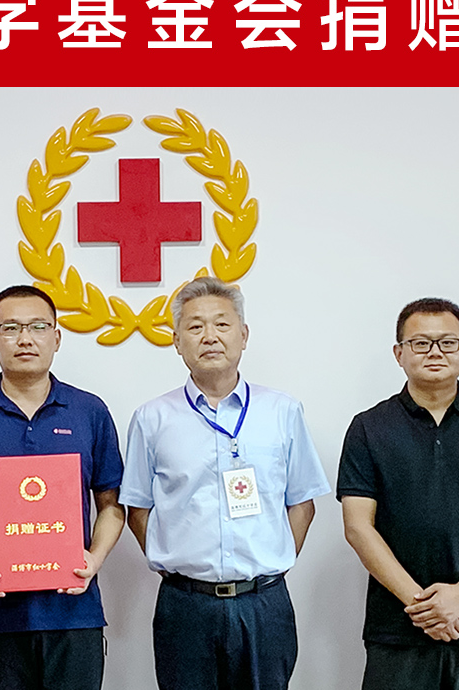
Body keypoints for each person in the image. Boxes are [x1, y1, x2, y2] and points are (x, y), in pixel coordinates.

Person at [121, 276, 332, 690]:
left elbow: (302, 503)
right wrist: (180, 562)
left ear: (244, 335)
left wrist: (270, 559)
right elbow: (138, 509)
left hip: (264, 603)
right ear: (176, 341)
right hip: (185, 606)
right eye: (195, 326)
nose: (210, 336)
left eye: (222, 324)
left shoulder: (282, 412)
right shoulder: (152, 419)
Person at [0, 285, 127, 690]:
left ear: (57, 337)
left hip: (74, 613)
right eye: (10, 328)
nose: (25, 339)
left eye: (38, 327)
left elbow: (111, 503)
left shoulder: (89, 411)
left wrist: (95, 557)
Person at [338, 298, 459, 690]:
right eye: (420, 343)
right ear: (399, 353)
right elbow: (358, 527)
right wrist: (422, 605)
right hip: (399, 626)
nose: (435, 352)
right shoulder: (369, 428)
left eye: (447, 342)